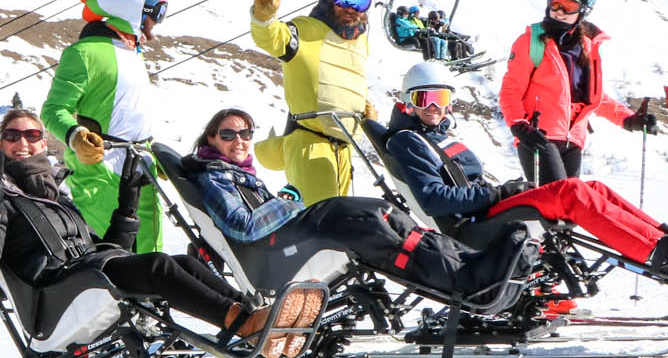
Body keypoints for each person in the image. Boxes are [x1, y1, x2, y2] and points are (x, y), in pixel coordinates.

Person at [0, 108, 309, 358]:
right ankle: (245, 324)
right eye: (12, 136)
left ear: (44, 143)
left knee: (182, 261)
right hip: (52, 293)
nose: (23, 143)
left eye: (32, 135)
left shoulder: (53, 193)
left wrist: (129, 201)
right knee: (157, 267)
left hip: (86, 274)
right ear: (0, 143)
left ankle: (253, 315)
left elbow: (107, 249)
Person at [383, 62, 668, 285]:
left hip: (482, 209)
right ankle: (660, 256)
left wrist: (499, 193)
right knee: (570, 193)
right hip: (470, 226)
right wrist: (497, 194)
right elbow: (433, 198)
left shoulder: (435, 137)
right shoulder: (407, 142)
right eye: (423, 98)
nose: (434, 107)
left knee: (588, 186)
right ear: (406, 102)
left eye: (441, 97)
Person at [183, 107, 528, 300]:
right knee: (365, 219)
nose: (239, 141)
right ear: (211, 139)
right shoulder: (213, 176)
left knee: (382, 216)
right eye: (228, 134)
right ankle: (466, 280)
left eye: (245, 133)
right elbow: (243, 227)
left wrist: (284, 204)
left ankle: (471, 265)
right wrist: (286, 202)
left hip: (285, 241)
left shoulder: (237, 173)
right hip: (272, 260)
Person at [43, 0, 180, 254]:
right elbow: (53, 110)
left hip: (140, 170)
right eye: (155, 16)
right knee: (111, 262)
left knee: (151, 258)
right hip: (101, 173)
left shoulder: (135, 55)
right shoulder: (85, 53)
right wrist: (76, 136)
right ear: (136, 9)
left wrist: (155, 155)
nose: (156, 28)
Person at [499, 0, 654, 183]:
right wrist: (519, 126)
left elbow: (593, 98)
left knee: (570, 210)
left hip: (573, 141)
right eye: (555, 3)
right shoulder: (531, 42)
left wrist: (629, 119)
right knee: (561, 201)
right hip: (538, 138)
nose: (559, 11)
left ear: (583, 11)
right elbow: (511, 90)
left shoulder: (587, 48)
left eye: (568, 6)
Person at [248, 0, 375, 204]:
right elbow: (274, 38)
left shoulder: (360, 42)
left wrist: (364, 109)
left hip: (344, 148)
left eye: (360, 2)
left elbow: (349, 80)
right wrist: (264, 17)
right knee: (321, 218)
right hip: (310, 140)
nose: (351, 7)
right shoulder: (306, 29)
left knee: (339, 221)